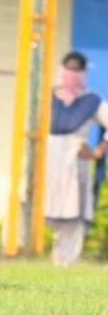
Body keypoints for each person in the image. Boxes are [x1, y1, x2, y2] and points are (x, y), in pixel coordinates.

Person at [45, 51, 108, 266]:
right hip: (49, 156)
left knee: (73, 212)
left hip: (75, 160)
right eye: (68, 68)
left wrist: (98, 150)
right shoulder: (49, 96)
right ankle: (45, 255)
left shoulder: (91, 100)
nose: (72, 74)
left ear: (83, 72)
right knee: (46, 206)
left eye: (77, 69)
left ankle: (67, 261)